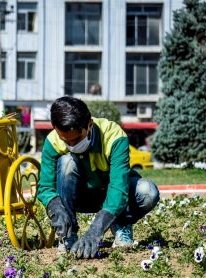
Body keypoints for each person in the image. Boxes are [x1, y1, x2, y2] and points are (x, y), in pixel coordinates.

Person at [37, 97, 160, 259]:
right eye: (65, 140)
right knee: (67, 161)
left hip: (109, 194)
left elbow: (118, 188)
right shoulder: (52, 141)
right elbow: (45, 187)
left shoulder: (114, 135)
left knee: (148, 192)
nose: (71, 145)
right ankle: (69, 235)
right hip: (80, 195)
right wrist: (55, 206)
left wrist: (95, 230)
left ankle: (120, 223)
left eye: (76, 139)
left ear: (89, 125)